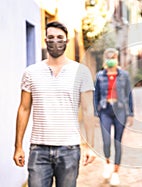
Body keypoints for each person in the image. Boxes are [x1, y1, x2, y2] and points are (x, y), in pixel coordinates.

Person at [13, 21, 96, 187]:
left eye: (59, 37)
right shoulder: (31, 72)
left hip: (69, 149)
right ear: (45, 40)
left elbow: (88, 110)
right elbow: (24, 108)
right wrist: (18, 146)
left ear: (67, 41)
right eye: (51, 37)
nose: (55, 41)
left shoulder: (81, 72)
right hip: (38, 149)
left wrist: (89, 146)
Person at [94, 48, 134, 185]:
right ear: (106, 59)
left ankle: (116, 172)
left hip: (120, 111)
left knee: (117, 142)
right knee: (106, 141)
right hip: (105, 110)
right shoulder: (100, 76)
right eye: (109, 57)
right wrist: (95, 113)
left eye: (114, 57)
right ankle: (107, 162)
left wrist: (131, 114)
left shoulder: (124, 75)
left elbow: (129, 94)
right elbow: (96, 96)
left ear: (117, 59)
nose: (111, 59)